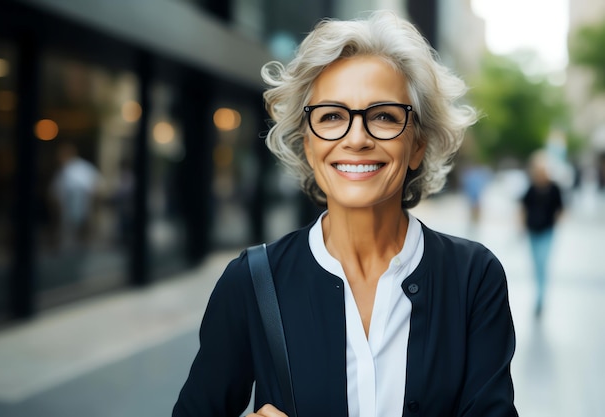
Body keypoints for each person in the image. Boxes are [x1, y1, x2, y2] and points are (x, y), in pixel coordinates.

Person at [172, 10, 518, 417]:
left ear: (418, 145)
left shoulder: (473, 279)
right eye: (332, 117)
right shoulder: (251, 281)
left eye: (384, 117)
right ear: (308, 143)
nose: (356, 138)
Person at [520, 151, 564, 318]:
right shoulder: (531, 188)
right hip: (533, 231)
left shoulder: (554, 188)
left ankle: (540, 297)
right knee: (536, 264)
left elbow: (560, 208)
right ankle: (539, 293)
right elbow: (523, 208)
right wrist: (522, 226)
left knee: (543, 263)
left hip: (547, 231)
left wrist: (556, 223)